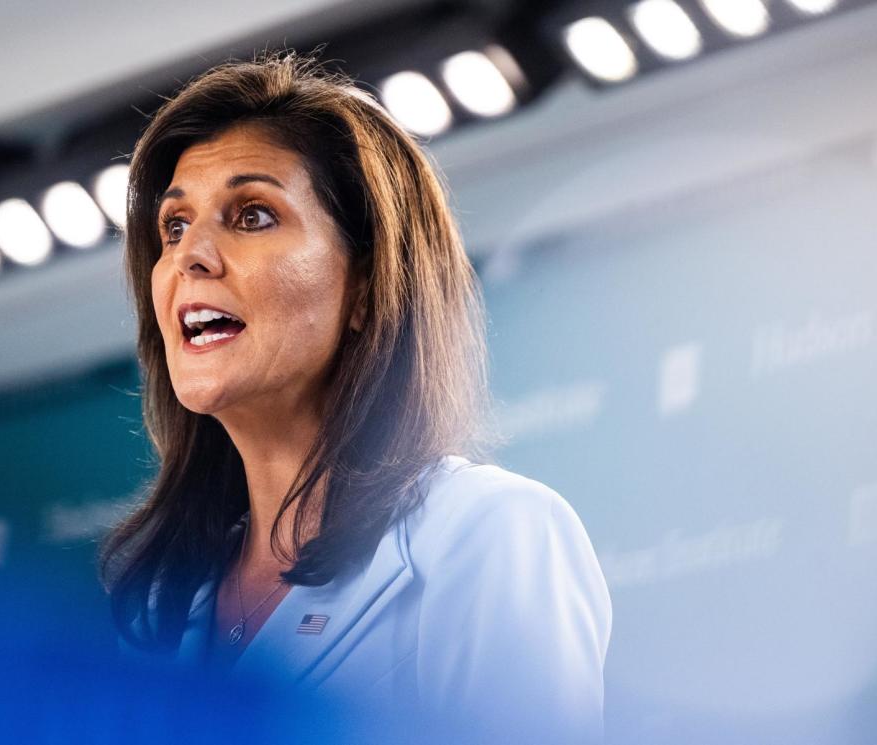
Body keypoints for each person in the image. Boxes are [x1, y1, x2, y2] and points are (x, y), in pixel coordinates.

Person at [98, 50, 611, 742]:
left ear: (368, 285)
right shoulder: (162, 608)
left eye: (251, 215)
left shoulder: (487, 533)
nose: (191, 255)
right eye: (175, 226)